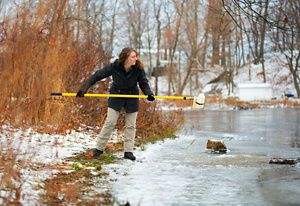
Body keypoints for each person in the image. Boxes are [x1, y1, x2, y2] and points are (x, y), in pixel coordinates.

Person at [76, 47, 155, 161]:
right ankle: (99, 149)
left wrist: (148, 93)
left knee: (131, 125)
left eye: (135, 56)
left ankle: (128, 152)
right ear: (126, 58)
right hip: (116, 96)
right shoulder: (115, 67)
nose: (135, 58)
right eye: (133, 56)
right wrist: (84, 88)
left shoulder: (138, 68)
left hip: (131, 96)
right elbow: (97, 75)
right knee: (110, 122)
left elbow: (143, 82)